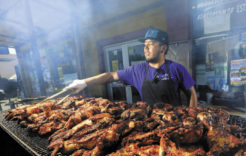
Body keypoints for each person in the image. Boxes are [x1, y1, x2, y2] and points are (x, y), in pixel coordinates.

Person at [66, 28, 197, 107]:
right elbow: (110, 75)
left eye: (150, 44)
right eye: (144, 44)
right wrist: (84, 82)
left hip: (175, 124)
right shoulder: (137, 70)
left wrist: (192, 116)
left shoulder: (177, 68)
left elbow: (191, 93)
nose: (145, 48)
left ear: (163, 47)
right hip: (150, 124)